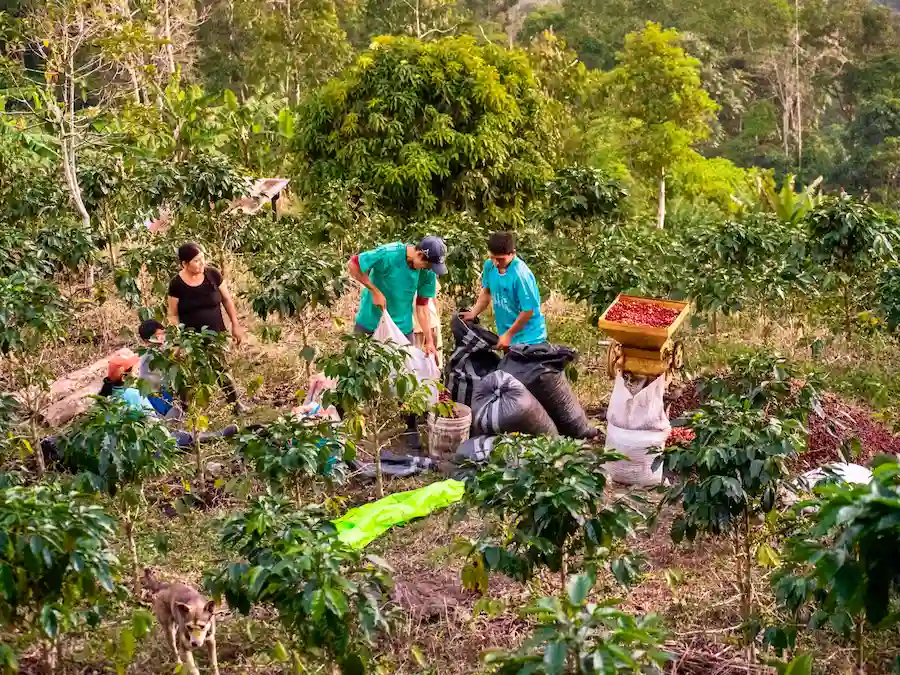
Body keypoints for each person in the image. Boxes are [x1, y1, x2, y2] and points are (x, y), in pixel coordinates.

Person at [167, 242, 245, 414]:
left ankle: (235, 404)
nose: (202, 263)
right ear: (184, 264)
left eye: (203, 258)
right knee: (187, 373)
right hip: (190, 339)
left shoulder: (212, 275)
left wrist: (235, 325)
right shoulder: (176, 284)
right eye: (196, 261)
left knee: (222, 368)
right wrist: (178, 341)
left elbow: (227, 300)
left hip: (216, 334)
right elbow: (172, 314)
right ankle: (185, 411)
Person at [99, 351, 237, 448]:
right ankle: (218, 435)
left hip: (119, 448)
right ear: (124, 377)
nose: (136, 372)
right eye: (133, 370)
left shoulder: (104, 398)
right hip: (144, 446)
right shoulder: (133, 394)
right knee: (182, 437)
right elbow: (154, 426)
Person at [348, 237, 447, 357]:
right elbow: (353, 264)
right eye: (427, 266)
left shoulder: (428, 272)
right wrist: (374, 291)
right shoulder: (389, 254)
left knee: (403, 372)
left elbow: (422, 306)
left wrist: (429, 341)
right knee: (357, 367)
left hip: (402, 329)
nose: (428, 270)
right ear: (420, 254)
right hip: (370, 323)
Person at [461, 231, 547, 350]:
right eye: (493, 258)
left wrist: (509, 334)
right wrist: (473, 313)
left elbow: (528, 310)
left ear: (512, 254)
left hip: (529, 340)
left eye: (500, 259)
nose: (496, 263)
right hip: (507, 337)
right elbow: (486, 292)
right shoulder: (489, 266)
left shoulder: (521, 275)